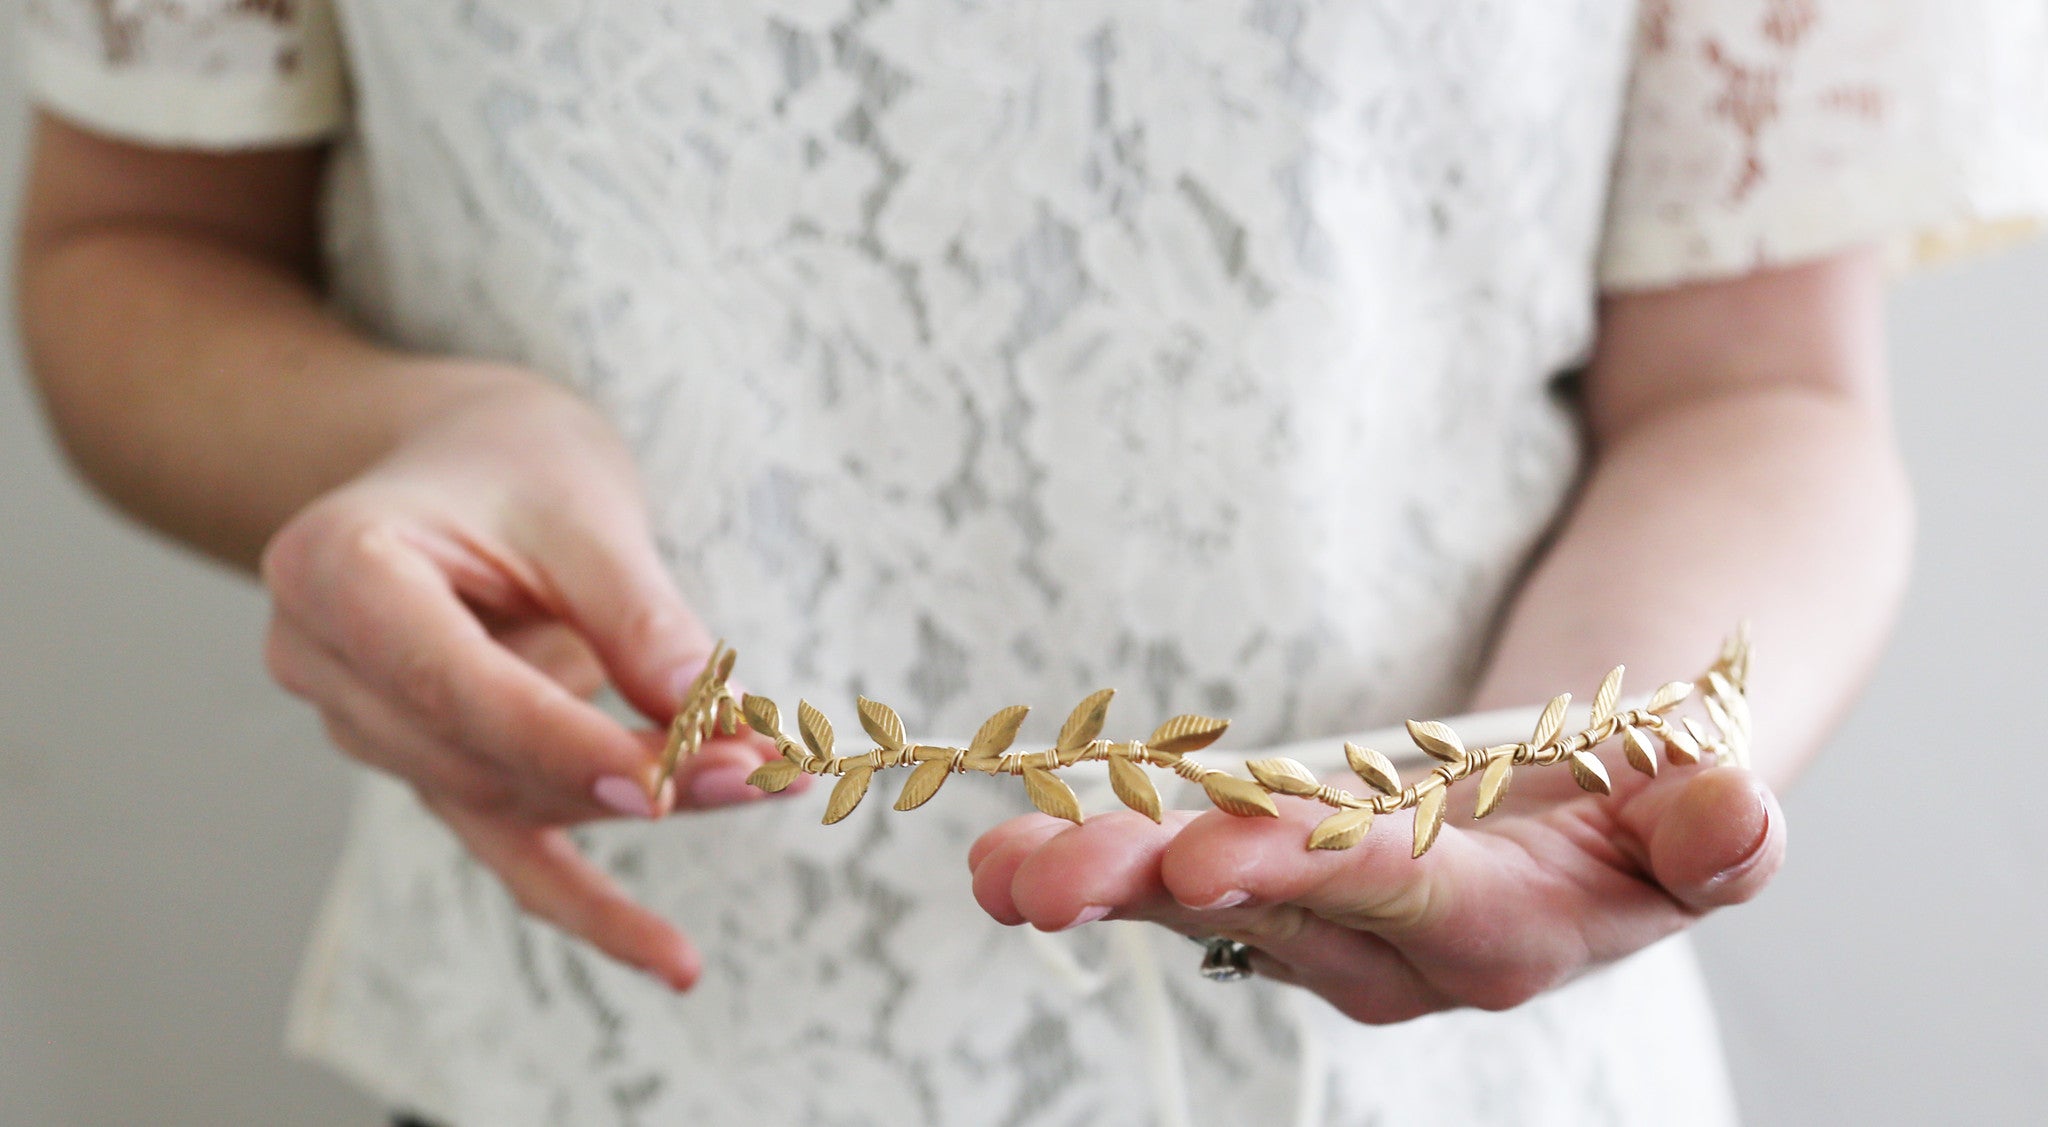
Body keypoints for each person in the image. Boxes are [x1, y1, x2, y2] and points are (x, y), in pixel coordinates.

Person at [14, 1, 2044, 1123]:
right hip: (591, 1059)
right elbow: (135, 242)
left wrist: (1598, 761)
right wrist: (400, 450)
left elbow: (1754, 380)